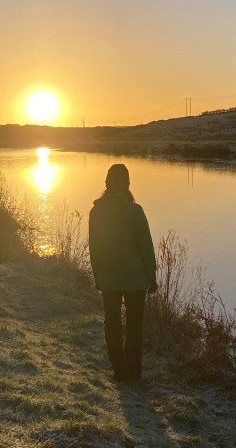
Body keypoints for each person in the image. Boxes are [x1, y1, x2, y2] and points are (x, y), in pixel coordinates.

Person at [88, 163, 157, 382]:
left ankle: (119, 369)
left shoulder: (96, 212)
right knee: (135, 326)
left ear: (106, 184)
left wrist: (98, 277)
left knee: (113, 322)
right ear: (127, 184)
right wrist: (152, 278)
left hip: (108, 279)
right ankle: (134, 374)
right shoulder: (135, 211)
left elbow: (94, 248)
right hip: (136, 280)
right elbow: (146, 247)